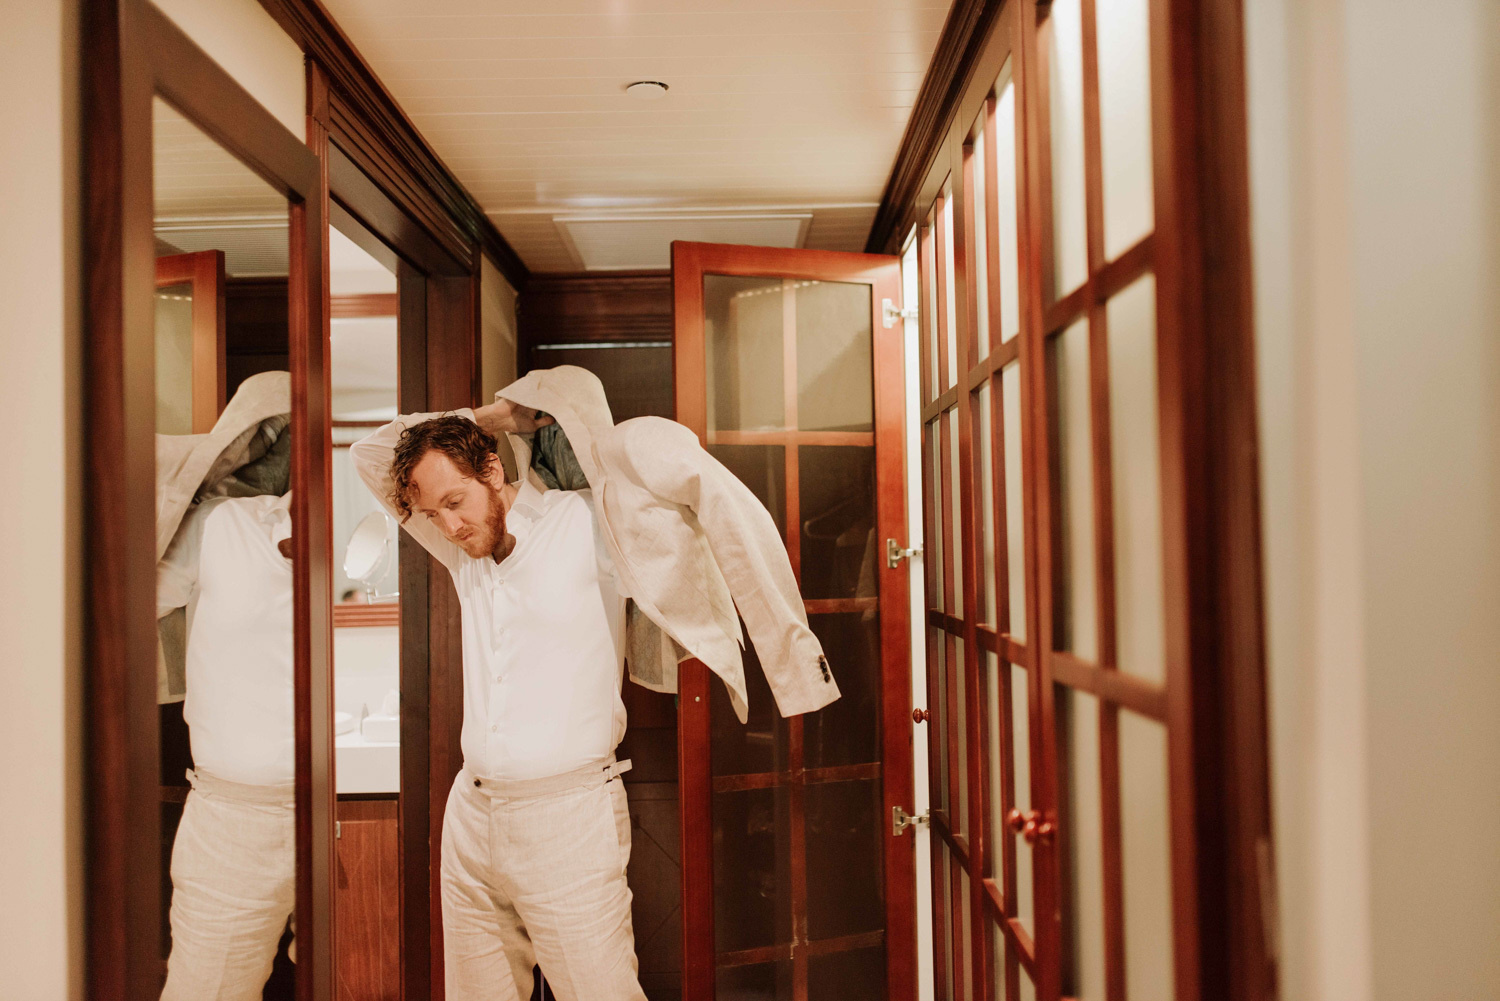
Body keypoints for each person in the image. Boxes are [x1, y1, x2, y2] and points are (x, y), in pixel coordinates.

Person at [351, 364, 840, 1001]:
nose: (446, 525)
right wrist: (464, 431)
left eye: (454, 502)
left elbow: (625, 438)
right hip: (470, 817)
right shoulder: (462, 553)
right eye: (429, 512)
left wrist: (515, 416)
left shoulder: (591, 522)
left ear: (495, 472)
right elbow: (370, 454)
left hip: (569, 817)